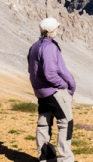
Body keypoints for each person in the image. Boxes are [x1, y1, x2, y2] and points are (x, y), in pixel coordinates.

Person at [27, 17, 76, 162]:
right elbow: (51, 73)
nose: (58, 30)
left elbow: (32, 69)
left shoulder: (35, 46)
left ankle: (45, 157)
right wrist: (65, 85)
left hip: (41, 92)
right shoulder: (49, 47)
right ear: (50, 30)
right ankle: (65, 158)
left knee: (44, 123)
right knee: (66, 123)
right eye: (56, 28)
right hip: (54, 91)